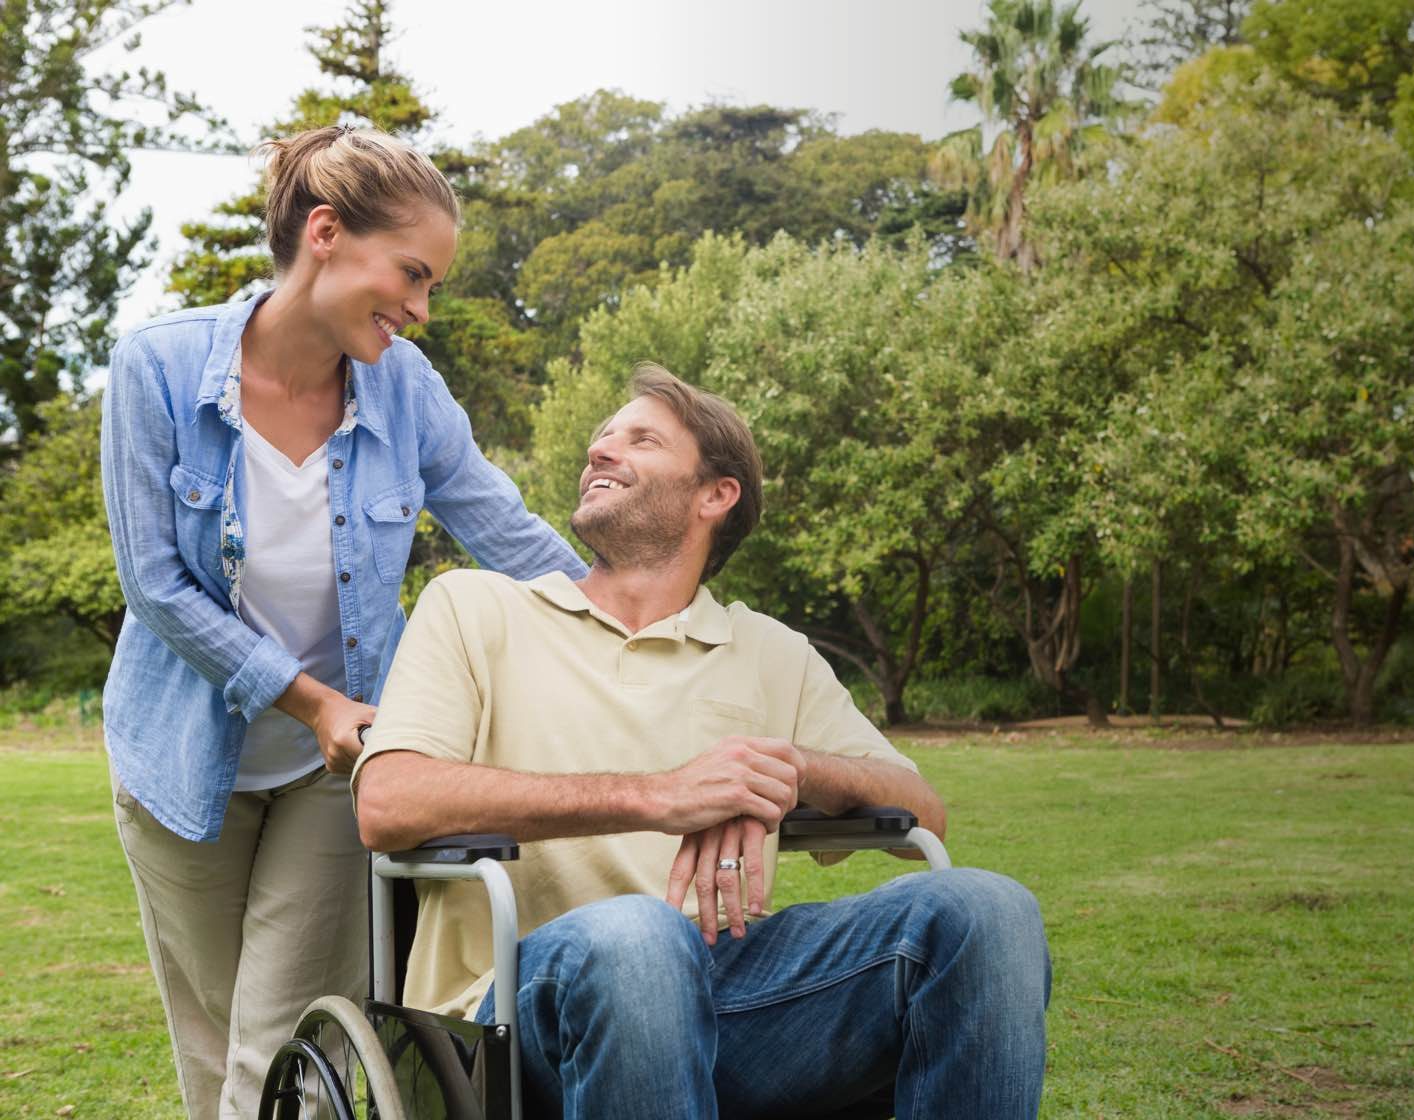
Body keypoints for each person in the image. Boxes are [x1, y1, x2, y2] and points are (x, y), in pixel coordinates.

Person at [354, 365, 1052, 1119]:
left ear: (715, 496)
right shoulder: (476, 606)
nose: (600, 451)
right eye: (601, 439)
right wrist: (660, 796)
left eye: (640, 439)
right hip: (511, 1014)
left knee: (989, 910)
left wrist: (788, 767)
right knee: (639, 938)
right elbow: (389, 802)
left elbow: (924, 814)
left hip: (732, 995)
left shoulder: (770, 650)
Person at [100, 125, 587, 1119]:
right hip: (175, 759)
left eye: (432, 287)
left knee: (282, 1039)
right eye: (412, 274)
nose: (420, 310)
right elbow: (154, 582)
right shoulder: (155, 370)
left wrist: (635, 619)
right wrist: (306, 695)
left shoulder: (404, 389)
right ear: (325, 232)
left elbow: (504, 526)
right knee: (212, 1048)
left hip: (338, 763)